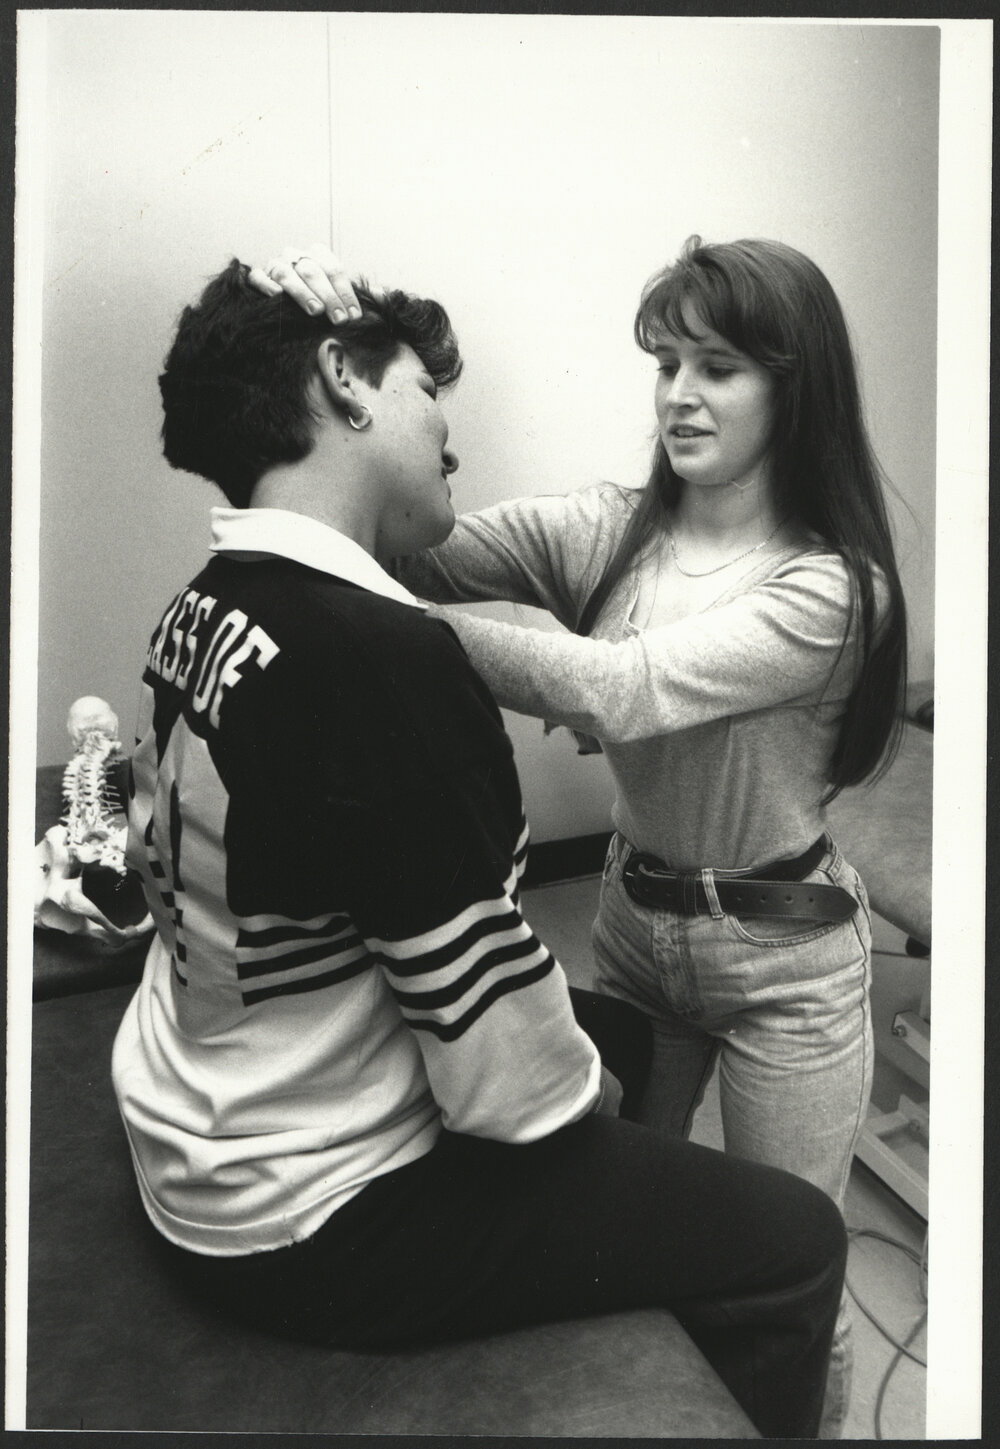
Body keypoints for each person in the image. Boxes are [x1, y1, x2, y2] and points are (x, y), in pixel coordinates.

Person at [111, 255, 849, 1439]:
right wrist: (378, 630)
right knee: (793, 1240)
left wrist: (374, 610)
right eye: (666, 363)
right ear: (347, 381)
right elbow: (513, 1088)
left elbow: (618, 686)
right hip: (305, 1204)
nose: (676, 394)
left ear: (795, 390)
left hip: (779, 956)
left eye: (717, 367)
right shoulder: (578, 549)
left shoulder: (209, 596)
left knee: (627, 1077)